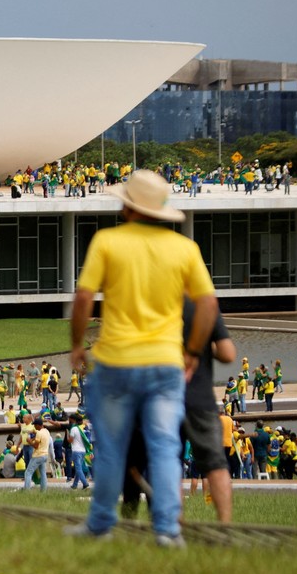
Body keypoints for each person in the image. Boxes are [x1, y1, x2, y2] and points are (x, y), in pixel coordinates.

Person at [66, 170, 217, 548]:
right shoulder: (185, 249)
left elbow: (83, 298)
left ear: (128, 207)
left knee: (111, 446)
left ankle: (100, 524)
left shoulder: (107, 241)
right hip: (165, 362)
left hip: (116, 361)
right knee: (164, 446)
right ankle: (167, 530)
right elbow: (208, 304)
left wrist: (77, 345)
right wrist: (193, 351)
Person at [180, 299, 236, 522]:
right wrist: (204, 348)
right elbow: (228, 354)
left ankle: (174, 528)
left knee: (170, 465)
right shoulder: (204, 306)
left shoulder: (159, 303)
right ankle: (225, 524)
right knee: (216, 465)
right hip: (200, 398)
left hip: (167, 397)